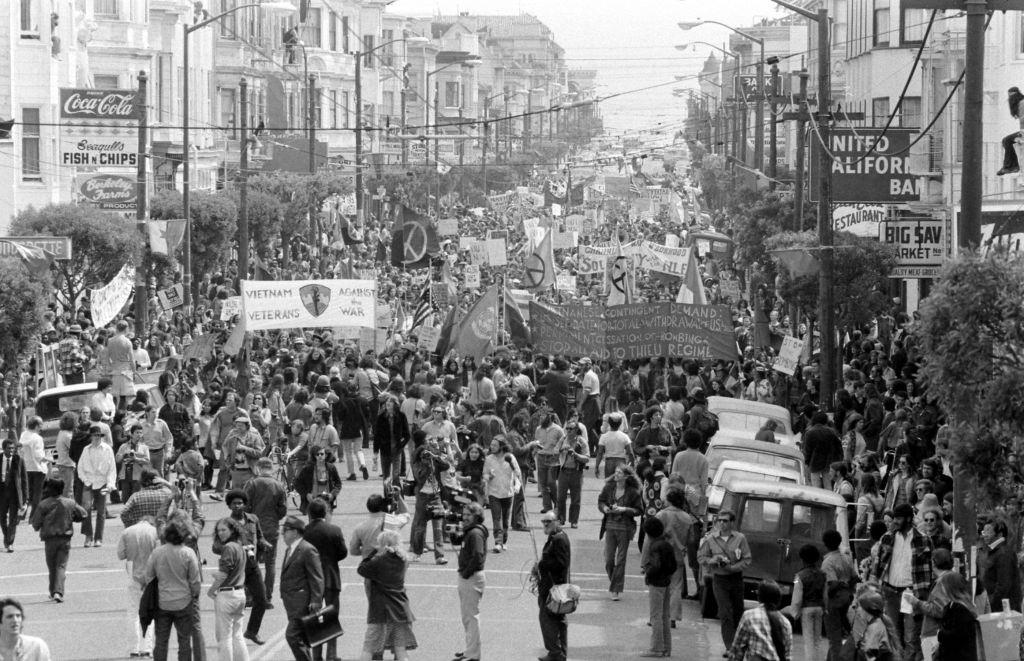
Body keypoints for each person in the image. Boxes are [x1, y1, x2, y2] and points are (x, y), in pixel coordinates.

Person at [872, 502, 933, 661]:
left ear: (907, 519)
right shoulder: (887, 538)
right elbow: (877, 566)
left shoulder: (923, 540)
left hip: (911, 594)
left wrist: (923, 594)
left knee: (910, 636)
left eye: (898, 519)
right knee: (893, 635)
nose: (894, 522)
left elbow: (929, 569)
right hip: (890, 592)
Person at [213, 491, 269, 647]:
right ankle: (229, 637)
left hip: (252, 565)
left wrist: (264, 544)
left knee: (262, 600)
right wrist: (235, 548)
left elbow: (260, 536)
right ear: (229, 505)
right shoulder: (225, 524)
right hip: (234, 569)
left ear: (245, 504)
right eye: (234, 503)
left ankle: (252, 631)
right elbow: (216, 547)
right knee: (233, 603)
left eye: (240, 503)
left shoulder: (253, 519)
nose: (237, 506)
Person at [143, 516, 203, 661]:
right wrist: (194, 595)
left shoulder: (158, 552)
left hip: (163, 601)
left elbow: (148, 576)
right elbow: (195, 580)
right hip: (183, 601)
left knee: (161, 641)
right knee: (184, 641)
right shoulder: (188, 553)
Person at [356, 528, 417, 661]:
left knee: (369, 647)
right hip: (400, 609)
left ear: (382, 545)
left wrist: (374, 553)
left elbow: (361, 569)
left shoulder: (378, 560)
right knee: (400, 650)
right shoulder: (403, 560)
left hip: (381, 610)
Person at [907, 548, 977, 661]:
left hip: (935, 635)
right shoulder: (953, 577)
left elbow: (939, 610)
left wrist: (917, 603)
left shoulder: (944, 581)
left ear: (934, 562)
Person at [698, 508, 752, 651]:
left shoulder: (740, 538)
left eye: (725, 521)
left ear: (732, 523)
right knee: (725, 613)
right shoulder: (711, 539)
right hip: (719, 580)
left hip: (736, 579)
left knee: (738, 612)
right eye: (719, 521)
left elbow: (747, 559)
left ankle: (740, 643)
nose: (722, 524)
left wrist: (732, 567)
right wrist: (712, 560)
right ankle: (730, 647)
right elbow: (701, 557)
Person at [302, 498, 348, 661]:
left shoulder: (304, 531)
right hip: (330, 576)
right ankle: (332, 654)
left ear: (309, 513)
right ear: (325, 512)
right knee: (331, 616)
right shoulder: (334, 529)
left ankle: (317, 655)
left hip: (310, 579)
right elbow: (342, 553)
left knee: (314, 618)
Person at [29, 478, 86, 602]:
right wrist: (73, 518)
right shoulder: (69, 503)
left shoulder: (43, 504)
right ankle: (57, 592)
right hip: (65, 538)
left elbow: (35, 524)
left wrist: (39, 525)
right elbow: (83, 514)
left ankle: (53, 591)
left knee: (52, 567)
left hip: (50, 540)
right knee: (61, 566)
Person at [279, 515, 325, 661]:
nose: (282, 534)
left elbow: (317, 576)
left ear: (295, 532)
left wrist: (317, 600)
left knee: (292, 636)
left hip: (302, 602)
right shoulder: (290, 549)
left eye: (285, 530)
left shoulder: (307, 549)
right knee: (303, 639)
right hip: (292, 602)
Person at [242, 458, 288, 602]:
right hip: (271, 526)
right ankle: (267, 595)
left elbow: (245, 505)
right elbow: (283, 510)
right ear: (271, 468)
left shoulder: (252, 483)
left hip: (253, 528)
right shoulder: (279, 485)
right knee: (271, 563)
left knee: (251, 562)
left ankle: (250, 595)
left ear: (258, 468)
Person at [597, 465, 643, 600]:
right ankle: (615, 583)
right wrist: (605, 508)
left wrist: (624, 509)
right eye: (616, 471)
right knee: (609, 559)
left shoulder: (633, 492)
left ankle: (615, 589)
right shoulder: (609, 488)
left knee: (621, 560)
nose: (616, 474)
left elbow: (639, 510)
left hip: (625, 528)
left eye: (619, 472)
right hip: (610, 527)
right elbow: (601, 501)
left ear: (626, 476)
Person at [117, 514, 159, 658]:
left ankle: (134, 648)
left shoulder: (127, 531)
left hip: (133, 572)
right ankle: (146, 648)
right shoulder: (155, 532)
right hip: (151, 575)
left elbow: (121, 554)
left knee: (133, 613)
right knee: (150, 613)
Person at [207, 517, 249, 661]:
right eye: (218, 530)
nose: (220, 533)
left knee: (224, 638)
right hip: (240, 592)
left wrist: (211, 590)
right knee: (237, 635)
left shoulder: (228, 548)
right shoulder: (239, 546)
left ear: (232, 530)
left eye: (224, 530)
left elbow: (223, 575)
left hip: (227, 595)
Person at [655, 487, 695, 623]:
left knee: (659, 586)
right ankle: (673, 617)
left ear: (669, 500)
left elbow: (652, 535)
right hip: (678, 555)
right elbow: (691, 540)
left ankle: (658, 615)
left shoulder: (661, 515)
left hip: (661, 554)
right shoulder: (687, 518)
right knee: (676, 587)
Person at [409, 433, 449, 565]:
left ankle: (439, 556)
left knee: (437, 528)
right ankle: (417, 552)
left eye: (427, 454)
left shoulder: (434, 460)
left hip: (436, 496)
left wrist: (435, 457)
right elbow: (419, 478)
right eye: (423, 455)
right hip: (422, 497)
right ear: (419, 456)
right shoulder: (416, 464)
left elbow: (446, 466)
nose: (425, 457)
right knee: (420, 527)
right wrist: (427, 466)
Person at [535, 511, 570, 661]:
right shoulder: (555, 537)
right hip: (552, 586)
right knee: (557, 620)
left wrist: (542, 564)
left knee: (548, 620)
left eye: (548, 521)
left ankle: (556, 653)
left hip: (554, 588)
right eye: (543, 522)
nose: (545, 524)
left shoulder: (559, 539)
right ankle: (559, 652)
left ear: (558, 521)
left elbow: (561, 564)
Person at [727, 580, 792, 661]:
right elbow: (787, 655)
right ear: (778, 599)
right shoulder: (786, 622)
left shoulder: (749, 616)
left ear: (759, 597)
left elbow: (737, 649)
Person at [455, 502, 488, 661]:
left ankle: (473, 654)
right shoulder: (470, 531)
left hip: (472, 577)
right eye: (464, 514)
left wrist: (466, 573)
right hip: (469, 576)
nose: (465, 517)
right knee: (467, 618)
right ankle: (470, 650)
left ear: (476, 516)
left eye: (469, 515)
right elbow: (457, 542)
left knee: (471, 618)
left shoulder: (475, 534)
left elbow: (478, 556)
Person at [640, 516, 677, 658]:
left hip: (656, 583)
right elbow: (672, 565)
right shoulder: (666, 544)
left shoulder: (654, 546)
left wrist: (648, 572)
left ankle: (656, 648)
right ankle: (666, 647)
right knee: (665, 616)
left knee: (655, 616)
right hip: (666, 581)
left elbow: (655, 566)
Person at [77, 424, 116, 548]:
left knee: (101, 511)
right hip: (89, 482)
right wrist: (85, 479)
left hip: (102, 482)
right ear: (91, 437)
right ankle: (88, 535)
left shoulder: (107, 449)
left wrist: (110, 484)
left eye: (99, 435)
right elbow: (80, 468)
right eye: (95, 435)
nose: (97, 438)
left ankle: (98, 538)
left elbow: (112, 469)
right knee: (86, 508)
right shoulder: (86, 449)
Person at [822, 528, 858, 660]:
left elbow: (832, 584)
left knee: (834, 637)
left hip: (834, 601)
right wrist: (848, 586)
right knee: (838, 633)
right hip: (847, 598)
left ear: (825, 544)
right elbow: (855, 577)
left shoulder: (827, 562)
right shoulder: (847, 558)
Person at [786, 544, 826, 661]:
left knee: (808, 640)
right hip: (819, 608)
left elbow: (797, 599)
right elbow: (825, 594)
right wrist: (825, 608)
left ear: (802, 559)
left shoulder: (799, 576)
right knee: (817, 639)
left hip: (807, 609)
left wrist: (795, 613)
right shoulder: (823, 574)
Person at [483, 438, 521, 552]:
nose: (492, 447)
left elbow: (517, 473)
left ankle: (504, 541)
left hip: (508, 493)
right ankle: (498, 542)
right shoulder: (488, 459)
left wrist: (517, 486)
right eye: (491, 445)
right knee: (496, 518)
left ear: (501, 446)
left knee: (505, 519)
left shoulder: (510, 457)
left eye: (495, 445)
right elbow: (484, 475)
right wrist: (489, 476)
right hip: (493, 493)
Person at [978, 518, 1021, 613]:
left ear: (1000, 534)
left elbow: (1003, 585)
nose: (984, 535)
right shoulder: (995, 551)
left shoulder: (1003, 554)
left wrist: (991, 603)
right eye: (983, 532)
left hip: (1004, 609)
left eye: (988, 532)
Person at [555, 412, 590, 528]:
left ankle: (574, 521)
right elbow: (554, 452)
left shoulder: (581, 441)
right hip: (564, 472)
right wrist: (561, 449)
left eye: (571, 429)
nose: (568, 431)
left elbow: (587, 458)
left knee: (576, 499)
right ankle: (561, 519)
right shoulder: (563, 439)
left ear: (576, 430)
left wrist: (576, 455)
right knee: (560, 498)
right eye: (567, 428)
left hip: (576, 472)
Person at [0, 438, 28, 553]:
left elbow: (24, 480)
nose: (11, 451)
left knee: (13, 519)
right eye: (9, 448)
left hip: (14, 494)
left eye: (13, 448)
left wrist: (26, 498)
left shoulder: (19, 460)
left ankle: (10, 543)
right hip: (1, 493)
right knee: (2, 518)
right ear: (3, 448)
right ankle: (7, 537)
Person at [294, 448, 342, 515]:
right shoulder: (308, 469)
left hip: (327, 501)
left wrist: (333, 494)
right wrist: (306, 494)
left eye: (322, 454)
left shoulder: (331, 468)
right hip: (312, 501)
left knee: (326, 522)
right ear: (314, 456)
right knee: (313, 523)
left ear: (326, 455)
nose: (319, 456)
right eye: (317, 454)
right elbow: (297, 483)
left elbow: (338, 483)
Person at [117, 424, 153, 502]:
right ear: (132, 434)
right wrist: (124, 454)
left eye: (140, 433)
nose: (139, 435)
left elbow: (147, 461)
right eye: (137, 432)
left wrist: (136, 459)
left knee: (136, 499)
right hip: (125, 476)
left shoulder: (144, 447)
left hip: (137, 476)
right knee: (125, 500)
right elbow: (117, 460)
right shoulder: (123, 446)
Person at [18, 416, 47, 512]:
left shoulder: (23, 435)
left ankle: (23, 512)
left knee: (28, 492)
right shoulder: (38, 438)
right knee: (37, 494)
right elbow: (39, 456)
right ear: (36, 426)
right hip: (38, 468)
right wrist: (48, 459)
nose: (41, 427)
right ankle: (34, 515)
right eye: (40, 425)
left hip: (26, 467)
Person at [998, 86, 1024, 175]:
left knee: (1007, 140)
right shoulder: (1021, 102)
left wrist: (1022, 133)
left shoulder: (1022, 104)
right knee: (1007, 140)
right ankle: (1011, 166)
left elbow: (1023, 121)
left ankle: (1011, 166)